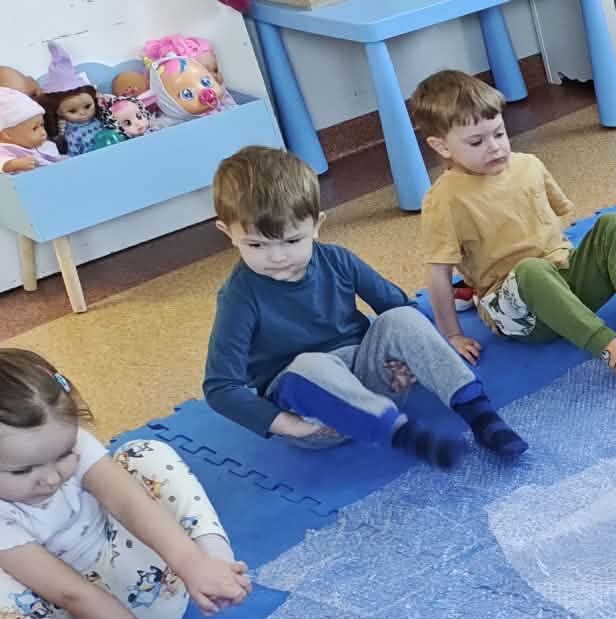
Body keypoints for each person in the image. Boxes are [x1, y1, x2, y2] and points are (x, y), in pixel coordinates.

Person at [204, 146, 526, 469]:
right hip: (316, 416)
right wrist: (291, 426)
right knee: (310, 365)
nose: (277, 257)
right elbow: (221, 387)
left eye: (291, 241)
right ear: (228, 233)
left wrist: (408, 364)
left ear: (316, 224)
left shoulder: (337, 260)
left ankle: (481, 415)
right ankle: (410, 439)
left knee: (402, 317)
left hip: (371, 383)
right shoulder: (239, 296)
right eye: (256, 245)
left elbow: (400, 308)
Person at [412, 70, 616, 395]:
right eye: (476, 142)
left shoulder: (528, 164)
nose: (495, 147)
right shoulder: (443, 200)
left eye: (499, 133)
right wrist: (452, 335)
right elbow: (438, 274)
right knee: (532, 270)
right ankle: (614, 353)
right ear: (441, 146)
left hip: (564, 283)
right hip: (516, 311)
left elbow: (555, 226)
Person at [0, 350, 248, 619]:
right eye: (23, 471)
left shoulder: (67, 440)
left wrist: (193, 565)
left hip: (157, 582)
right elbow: (72, 594)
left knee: (143, 453)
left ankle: (215, 565)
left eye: (63, 455)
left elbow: (130, 504)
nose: (51, 478)